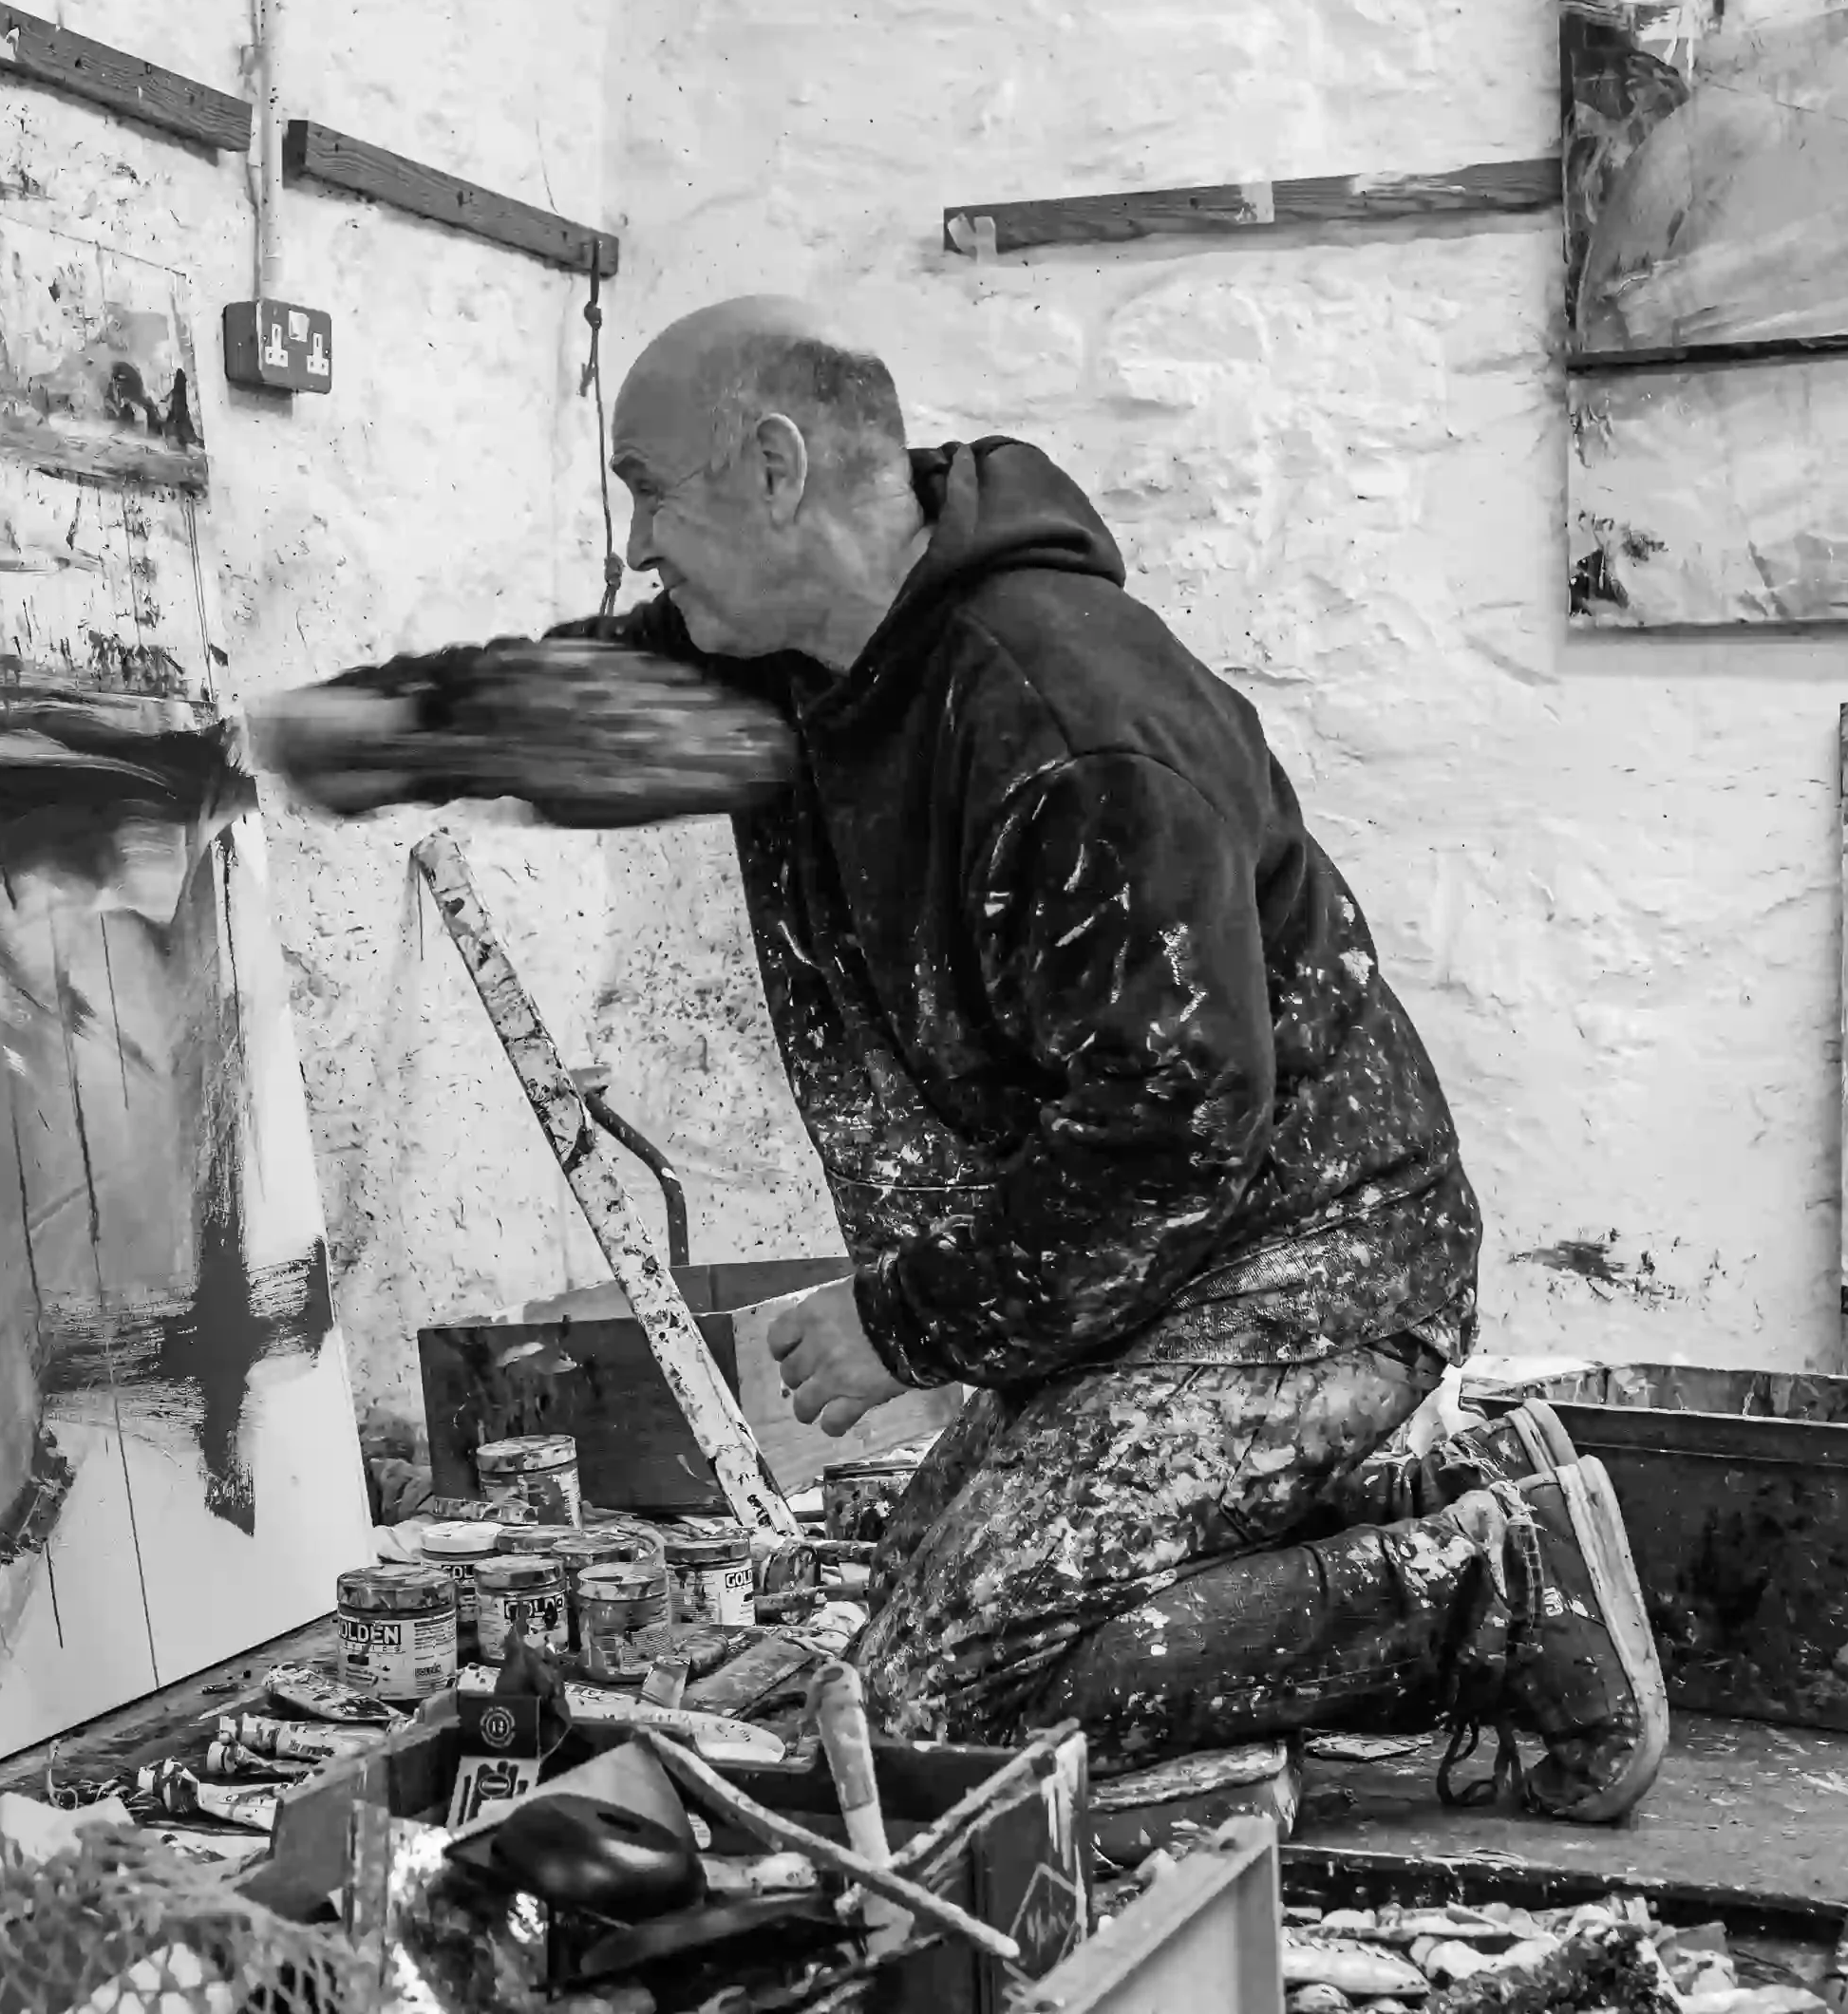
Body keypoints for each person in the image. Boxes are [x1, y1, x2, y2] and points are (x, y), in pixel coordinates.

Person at [271, 295, 1667, 1821]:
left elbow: (1176, 1128)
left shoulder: (1063, 715)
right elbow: (610, 698)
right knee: (883, 1665)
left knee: (964, 1711)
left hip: (1309, 1256)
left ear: (778, 466)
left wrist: (902, 1323)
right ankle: (1387, 1485)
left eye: (648, 489)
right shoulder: (806, 658)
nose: (637, 542)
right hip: (1150, 1273)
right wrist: (350, 739)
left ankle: (1487, 1585)